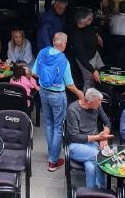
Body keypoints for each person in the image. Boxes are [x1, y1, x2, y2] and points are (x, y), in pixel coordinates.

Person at [32, 31, 83, 172]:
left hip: (43, 92)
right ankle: (53, 161)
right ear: (61, 43)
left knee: (48, 124)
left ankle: (52, 155)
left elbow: (34, 72)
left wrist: (45, 78)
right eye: (65, 42)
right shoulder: (63, 61)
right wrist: (79, 93)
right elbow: (69, 84)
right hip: (57, 96)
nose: (66, 45)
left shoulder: (43, 53)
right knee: (58, 127)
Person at [65, 87, 111, 189]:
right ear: (89, 103)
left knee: (90, 167)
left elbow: (107, 121)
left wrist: (104, 136)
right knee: (98, 156)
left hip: (92, 144)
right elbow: (75, 137)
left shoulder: (97, 105)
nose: (100, 105)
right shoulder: (73, 110)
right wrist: (98, 137)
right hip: (75, 145)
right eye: (98, 103)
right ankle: (102, 190)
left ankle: (90, 193)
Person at [70, 7, 105, 90]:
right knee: (89, 82)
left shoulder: (87, 25)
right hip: (87, 61)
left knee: (104, 74)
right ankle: (87, 100)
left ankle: (103, 93)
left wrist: (96, 34)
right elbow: (82, 57)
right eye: (89, 19)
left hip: (95, 54)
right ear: (82, 20)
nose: (92, 20)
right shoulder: (76, 36)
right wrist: (92, 70)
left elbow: (92, 28)